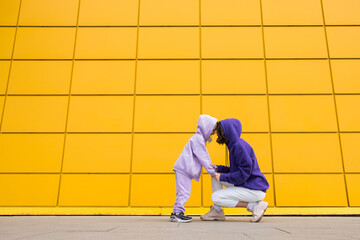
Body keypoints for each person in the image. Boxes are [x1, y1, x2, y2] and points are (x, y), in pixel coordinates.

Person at [200, 118, 269, 223]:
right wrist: (218, 169)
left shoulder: (238, 146)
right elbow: (235, 170)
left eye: (219, 132)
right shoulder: (234, 145)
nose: (217, 135)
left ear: (227, 131)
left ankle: (254, 206)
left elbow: (244, 173)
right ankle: (217, 211)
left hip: (253, 189)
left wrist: (222, 177)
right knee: (214, 175)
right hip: (247, 184)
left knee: (216, 197)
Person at [170, 114, 218, 223]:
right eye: (212, 130)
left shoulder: (198, 139)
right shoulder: (198, 139)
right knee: (184, 193)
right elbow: (203, 157)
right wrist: (212, 171)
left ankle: (177, 212)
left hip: (183, 168)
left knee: (183, 192)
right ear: (206, 127)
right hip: (183, 169)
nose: (212, 133)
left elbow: (202, 157)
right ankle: (177, 214)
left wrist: (212, 167)